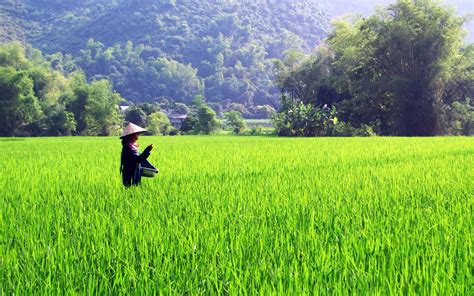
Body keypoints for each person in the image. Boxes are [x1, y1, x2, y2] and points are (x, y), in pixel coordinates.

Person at [120, 122, 153, 187]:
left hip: (133, 170)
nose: (138, 136)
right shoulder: (129, 146)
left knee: (133, 189)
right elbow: (138, 159)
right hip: (130, 171)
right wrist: (147, 150)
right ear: (131, 136)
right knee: (132, 188)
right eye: (136, 134)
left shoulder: (130, 145)